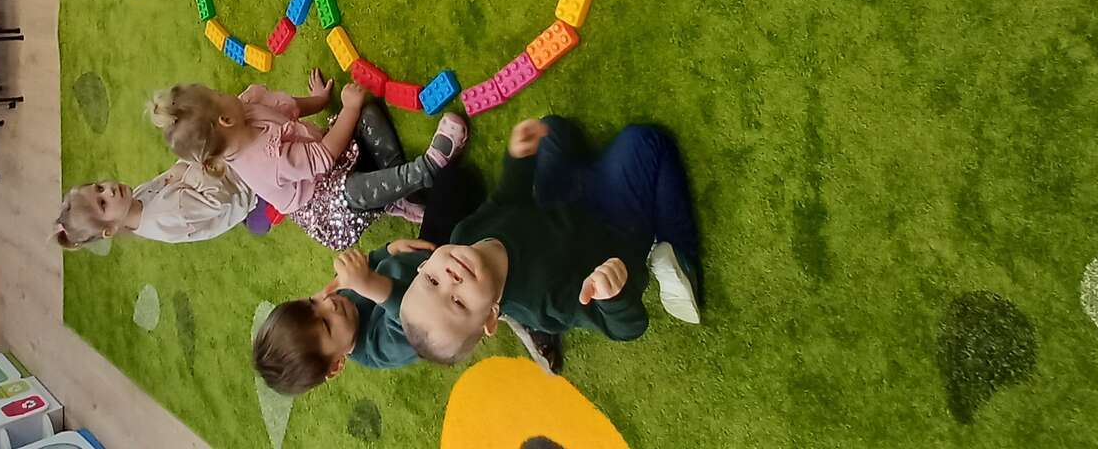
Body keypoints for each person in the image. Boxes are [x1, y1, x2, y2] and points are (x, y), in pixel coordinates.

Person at [395, 117, 703, 368]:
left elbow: (505, 201)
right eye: (458, 302)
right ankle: (677, 251)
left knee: (551, 129)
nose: (451, 279)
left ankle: (584, 164)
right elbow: (627, 329)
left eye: (433, 280)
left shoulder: (463, 236)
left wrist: (518, 160)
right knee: (645, 140)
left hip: (559, 203)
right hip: (612, 227)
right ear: (490, 317)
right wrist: (612, 297)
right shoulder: (545, 302)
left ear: (424, 265)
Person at [148, 72, 468, 250]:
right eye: (218, 94)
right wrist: (348, 108)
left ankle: (401, 194)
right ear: (225, 120)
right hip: (327, 204)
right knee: (355, 187)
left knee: (368, 113)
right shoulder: (266, 160)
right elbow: (323, 157)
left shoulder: (244, 107)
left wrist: (322, 100)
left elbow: (290, 108)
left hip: (326, 161)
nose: (225, 93)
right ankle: (428, 168)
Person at [251, 161, 486, 396]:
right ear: (336, 365)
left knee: (452, 180)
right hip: (453, 291)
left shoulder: (340, 298)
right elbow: (416, 321)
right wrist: (368, 284)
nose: (328, 304)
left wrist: (391, 249)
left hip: (428, 255)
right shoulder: (379, 349)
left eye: (313, 302)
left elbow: (371, 262)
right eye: (326, 324)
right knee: (486, 246)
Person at [52, 161, 260, 247]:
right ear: (111, 229)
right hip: (245, 186)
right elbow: (220, 199)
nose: (109, 190)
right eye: (103, 203)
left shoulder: (135, 200)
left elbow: (174, 175)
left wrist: (184, 165)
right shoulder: (169, 214)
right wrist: (188, 172)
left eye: (99, 187)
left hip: (221, 171)